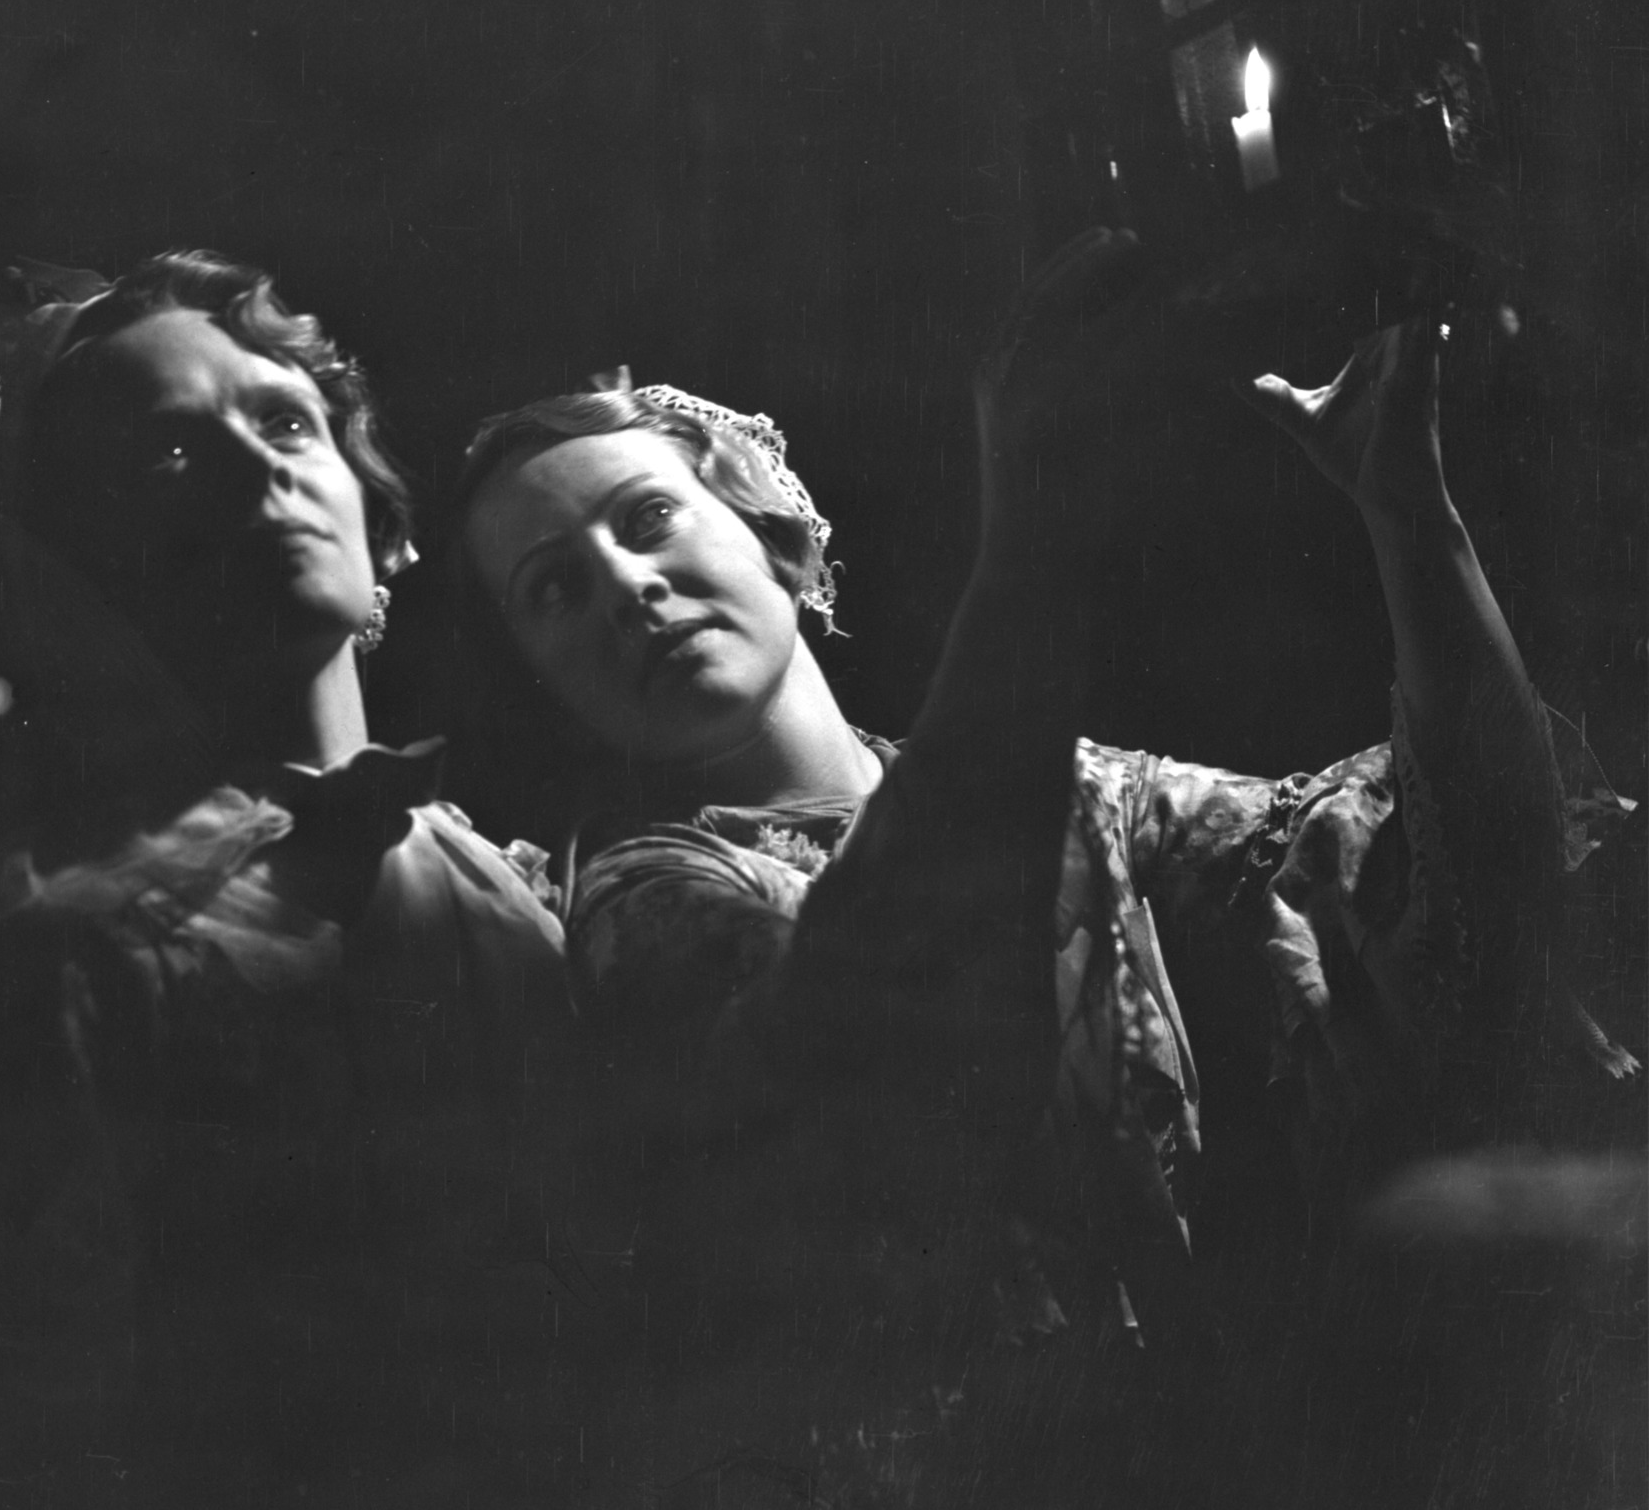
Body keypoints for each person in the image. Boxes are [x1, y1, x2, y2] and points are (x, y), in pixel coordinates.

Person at [450, 230, 1638, 1501]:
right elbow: (913, 1020)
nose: (628, 583)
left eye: (646, 519)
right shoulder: (639, 897)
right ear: (543, 679)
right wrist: (1032, 529)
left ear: (766, 534)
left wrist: (1412, 516)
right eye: (555, 590)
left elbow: (1459, 875)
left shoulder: (1077, 790)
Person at [0, 252, 575, 1506]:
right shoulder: (71, 939)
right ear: (84, 567)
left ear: (380, 517)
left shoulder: (494, 877)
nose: (249, 462)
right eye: (165, 453)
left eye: (282, 416)